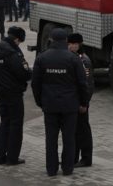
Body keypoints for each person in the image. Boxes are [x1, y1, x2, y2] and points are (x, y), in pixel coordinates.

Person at [32, 28, 89, 177]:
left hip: (50, 105)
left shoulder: (42, 58)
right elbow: (82, 83)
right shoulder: (73, 58)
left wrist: (40, 102)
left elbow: (35, 83)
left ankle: (51, 169)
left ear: (51, 40)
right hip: (70, 106)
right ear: (65, 41)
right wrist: (84, 103)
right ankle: (67, 168)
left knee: (50, 139)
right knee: (69, 138)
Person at [0, 26, 32, 165]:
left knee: (5, 122)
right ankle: (12, 158)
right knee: (16, 124)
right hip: (13, 93)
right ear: (17, 39)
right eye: (20, 42)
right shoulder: (13, 53)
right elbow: (23, 74)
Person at [67, 33, 94, 168]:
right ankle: (73, 157)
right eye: (69, 44)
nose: (71, 46)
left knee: (83, 131)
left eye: (73, 44)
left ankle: (86, 158)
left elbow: (88, 85)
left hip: (81, 103)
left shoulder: (84, 60)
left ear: (79, 45)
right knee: (74, 131)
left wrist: (84, 103)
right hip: (74, 102)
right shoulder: (71, 58)